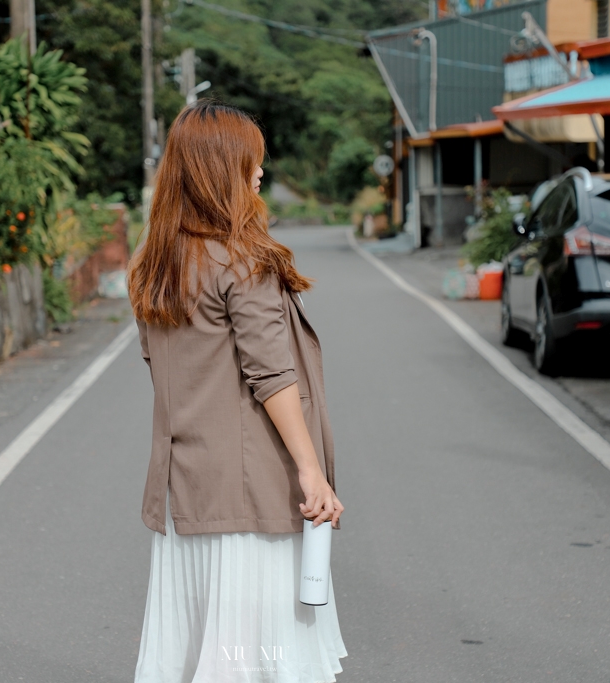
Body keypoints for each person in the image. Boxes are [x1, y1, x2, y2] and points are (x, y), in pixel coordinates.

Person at [129, 101, 347, 683]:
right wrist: (310, 470)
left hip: (187, 492)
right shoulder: (243, 259)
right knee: (255, 661)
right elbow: (272, 375)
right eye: (252, 161)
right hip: (249, 495)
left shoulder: (157, 263)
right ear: (221, 168)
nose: (260, 173)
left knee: (200, 655)